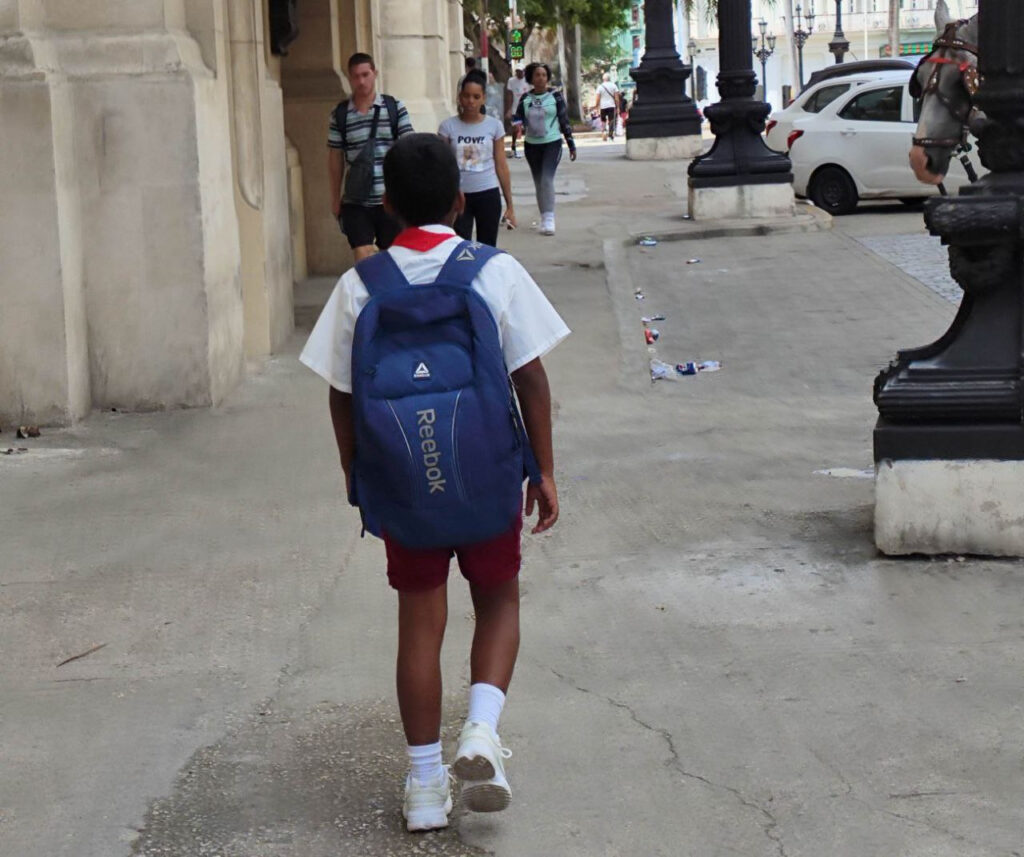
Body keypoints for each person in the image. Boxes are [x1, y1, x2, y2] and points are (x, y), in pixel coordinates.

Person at [299, 133, 568, 832]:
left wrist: (359, 473)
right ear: (457, 198)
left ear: (385, 204)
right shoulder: (494, 270)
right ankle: (480, 729)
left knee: (420, 623)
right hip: (485, 475)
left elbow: (339, 392)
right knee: (499, 599)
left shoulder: (362, 285)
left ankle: (423, 784)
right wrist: (542, 470)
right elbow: (530, 377)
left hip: (406, 482)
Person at [328, 52, 415, 261]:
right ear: (350, 79)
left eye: (366, 74)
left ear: (375, 74)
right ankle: (369, 294)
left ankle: (389, 294)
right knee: (362, 255)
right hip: (356, 199)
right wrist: (334, 198)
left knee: (392, 258)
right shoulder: (340, 115)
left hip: (390, 198)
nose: (361, 81)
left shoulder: (395, 108)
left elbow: (409, 149)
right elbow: (334, 158)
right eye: (356, 76)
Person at [439, 69, 517, 246]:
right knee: (459, 247)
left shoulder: (494, 126)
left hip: (487, 193)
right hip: (459, 196)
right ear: (460, 97)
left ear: (483, 98)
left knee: (487, 247)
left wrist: (510, 205)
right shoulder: (447, 127)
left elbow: (501, 164)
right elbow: (442, 166)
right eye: (466, 96)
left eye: (476, 96)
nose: (471, 102)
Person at [512, 62, 576, 237]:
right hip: (532, 145)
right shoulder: (525, 99)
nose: (540, 78)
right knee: (538, 182)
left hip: (552, 143)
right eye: (537, 75)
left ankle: (549, 219)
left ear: (547, 78)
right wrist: (517, 126)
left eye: (543, 75)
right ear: (531, 78)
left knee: (547, 179)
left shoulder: (555, 96)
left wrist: (571, 144)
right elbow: (517, 117)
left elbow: (564, 120)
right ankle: (543, 216)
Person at [504, 67, 529, 159]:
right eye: (518, 71)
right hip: (515, 109)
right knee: (516, 129)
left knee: (528, 129)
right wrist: (509, 109)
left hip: (527, 109)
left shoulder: (528, 80)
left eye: (521, 71)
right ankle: (513, 147)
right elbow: (509, 95)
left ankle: (529, 148)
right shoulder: (511, 81)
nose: (520, 73)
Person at [593, 73, 619, 141]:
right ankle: (610, 134)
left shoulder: (600, 87)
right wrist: (618, 107)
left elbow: (597, 98)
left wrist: (596, 106)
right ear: (609, 78)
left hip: (603, 106)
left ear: (603, 79)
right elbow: (616, 98)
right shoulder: (614, 86)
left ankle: (604, 131)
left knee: (603, 120)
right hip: (611, 106)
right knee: (611, 120)